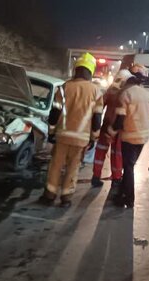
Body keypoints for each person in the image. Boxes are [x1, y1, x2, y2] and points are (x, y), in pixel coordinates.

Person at [41, 52, 104, 208]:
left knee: (55, 165)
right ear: (91, 71)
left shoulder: (65, 87)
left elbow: (54, 112)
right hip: (81, 139)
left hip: (62, 136)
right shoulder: (96, 92)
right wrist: (93, 138)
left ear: (76, 69)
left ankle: (49, 195)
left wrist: (51, 132)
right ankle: (66, 198)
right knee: (73, 168)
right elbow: (97, 119)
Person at [110, 64, 149, 208]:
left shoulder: (125, 94)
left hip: (129, 136)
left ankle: (129, 198)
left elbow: (120, 119)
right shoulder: (148, 95)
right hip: (143, 137)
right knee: (129, 165)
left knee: (128, 167)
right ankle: (121, 194)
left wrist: (111, 131)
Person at [91, 69, 133, 187]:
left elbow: (100, 105)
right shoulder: (126, 93)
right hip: (119, 128)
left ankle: (96, 176)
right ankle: (116, 178)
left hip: (106, 125)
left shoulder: (110, 91)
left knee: (100, 152)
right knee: (116, 154)